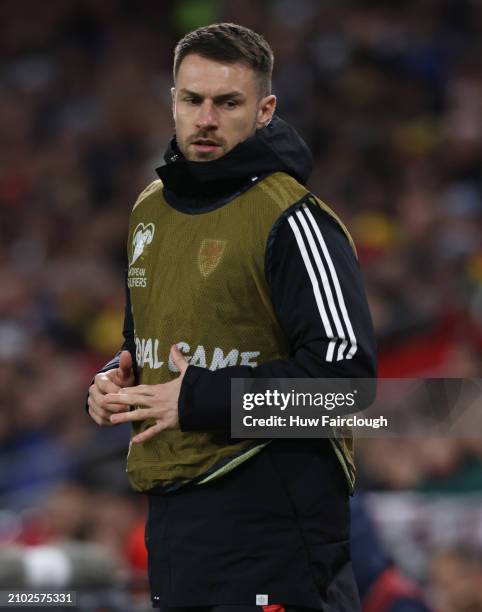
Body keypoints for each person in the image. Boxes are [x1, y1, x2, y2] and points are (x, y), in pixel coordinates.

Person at [87, 23, 376, 612]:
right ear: (172, 101)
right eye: (192, 100)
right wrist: (114, 383)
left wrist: (193, 399)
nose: (207, 118)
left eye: (228, 102)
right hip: (174, 526)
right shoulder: (148, 211)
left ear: (265, 109)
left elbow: (345, 388)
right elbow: (148, 344)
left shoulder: (294, 219)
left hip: (275, 528)